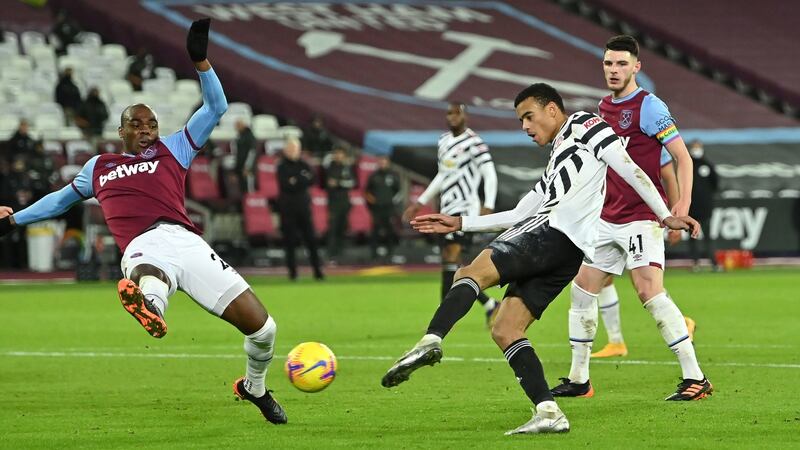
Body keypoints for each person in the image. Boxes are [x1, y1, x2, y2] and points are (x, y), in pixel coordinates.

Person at [0, 19, 287, 425]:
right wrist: (14, 220)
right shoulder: (99, 167)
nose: (147, 130)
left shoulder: (175, 149)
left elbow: (216, 108)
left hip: (187, 242)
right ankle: (149, 305)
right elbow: (58, 201)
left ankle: (254, 387)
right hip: (141, 243)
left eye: (152, 123)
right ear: (121, 131)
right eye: (137, 124)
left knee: (264, 330)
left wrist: (200, 61)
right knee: (150, 273)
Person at [381, 83, 700, 434]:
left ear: (552, 110)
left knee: (470, 272)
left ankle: (431, 340)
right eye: (521, 121)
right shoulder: (558, 162)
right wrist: (461, 222)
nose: (526, 127)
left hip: (548, 231)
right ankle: (549, 412)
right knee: (506, 328)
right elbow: (520, 210)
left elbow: (629, 167)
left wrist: (665, 214)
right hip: (567, 252)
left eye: (528, 117)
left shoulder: (583, 125)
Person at [549, 35, 712, 401]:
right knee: (582, 288)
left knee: (647, 291)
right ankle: (579, 379)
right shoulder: (603, 107)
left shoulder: (649, 106)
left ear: (636, 67)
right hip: (608, 218)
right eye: (608, 63)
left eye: (621, 64)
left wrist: (679, 207)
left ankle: (695, 377)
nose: (614, 70)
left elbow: (682, 159)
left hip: (641, 217)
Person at [591, 148, 696, 358]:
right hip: (611, 216)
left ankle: (680, 323)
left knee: (644, 283)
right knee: (601, 278)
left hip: (641, 218)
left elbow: (669, 175)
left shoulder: (647, 137)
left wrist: (674, 215)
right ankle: (616, 341)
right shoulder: (607, 133)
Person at [403, 101, 499, 324]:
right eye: (449, 113)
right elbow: (442, 175)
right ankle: (487, 304)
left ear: (465, 116)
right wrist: (420, 202)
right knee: (451, 262)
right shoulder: (443, 141)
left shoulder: (474, 142)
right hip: (446, 209)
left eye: (457, 113)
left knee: (452, 257)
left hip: (465, 211)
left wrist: (489, 205)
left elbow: (490, 173)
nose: (452, 117)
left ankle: (443, 313)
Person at [277, 137, 324, 281]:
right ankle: (293, 273)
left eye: (295, 149)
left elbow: (312, 179)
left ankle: (318, 272)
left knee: (311, 240)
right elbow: (286, 185)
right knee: (290, 241)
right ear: (285, 150)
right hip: (288, 208)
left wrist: (296, 180)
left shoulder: (304, 164)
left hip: (304, 208)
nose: (292, 152)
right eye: (290, 149)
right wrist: (300, 180)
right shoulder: (282, 166)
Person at [686, 140, 720, 271]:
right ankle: (695, 263)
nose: (696, 150)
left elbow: (715, 184)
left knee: (708, 236)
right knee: (693, 237)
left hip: (705, 208)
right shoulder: (687, 165)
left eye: (698, 147)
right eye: (694, 148)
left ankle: (714, 263)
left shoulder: (707, 165)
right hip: (691, 208)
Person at [365, 156, 401, 261]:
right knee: (375, 231)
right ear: (378, 163)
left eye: (384, 162)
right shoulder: (373, 176)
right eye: (380, 162)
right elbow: (367, 192)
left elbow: (398, 191)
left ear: (388, 163)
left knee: (389, 231)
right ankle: (373, 255)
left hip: (389, 208)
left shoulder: (393, 176)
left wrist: (392, 202)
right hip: (376, 209)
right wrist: (373, 202)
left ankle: (390, 254)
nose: (382, 164)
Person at [325, 146, 357, 261]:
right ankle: (330, 253)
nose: (338, 156)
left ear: (344, 156)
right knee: (332, 228)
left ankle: (340, 252)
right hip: (333, 202)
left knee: (342, 227)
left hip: (344, 201)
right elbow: (328, 183)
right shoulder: (329, 167)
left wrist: (338, 182)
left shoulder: (347, 168)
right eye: (336, 153)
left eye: (340, 153)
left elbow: (352, 183)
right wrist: (340, 183)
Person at [234, 118, 257, 193]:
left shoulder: (249, 137)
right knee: (243, 189)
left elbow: (252, 153)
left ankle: (251, 204)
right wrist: (236, 171)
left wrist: (247, 167)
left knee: (249, 190)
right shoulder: (240, 136)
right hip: (241, 167)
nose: (236, 128)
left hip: (247, 169)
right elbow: (238, 155)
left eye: (238, 125)